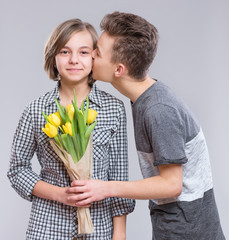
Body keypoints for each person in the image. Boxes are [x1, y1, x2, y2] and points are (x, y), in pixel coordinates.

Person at [68, 12, 226, 239]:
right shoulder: (147, 98)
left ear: (119, 69)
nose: (90, 55)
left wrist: (105, 187)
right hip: (178, 225)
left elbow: (172, 185)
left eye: (98, 52)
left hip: (186, 232)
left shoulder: (158, 109)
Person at [7, 18, 135, 240]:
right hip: (47, 228)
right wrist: (60, 194)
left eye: (84, 52)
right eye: (65, 52)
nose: (74, 60)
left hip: (99, 229)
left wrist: (119, 235)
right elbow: (17, 170)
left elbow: (119, 180)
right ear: (53, 57)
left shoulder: (114, 109)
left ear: (94, 57)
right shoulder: (36, 110)